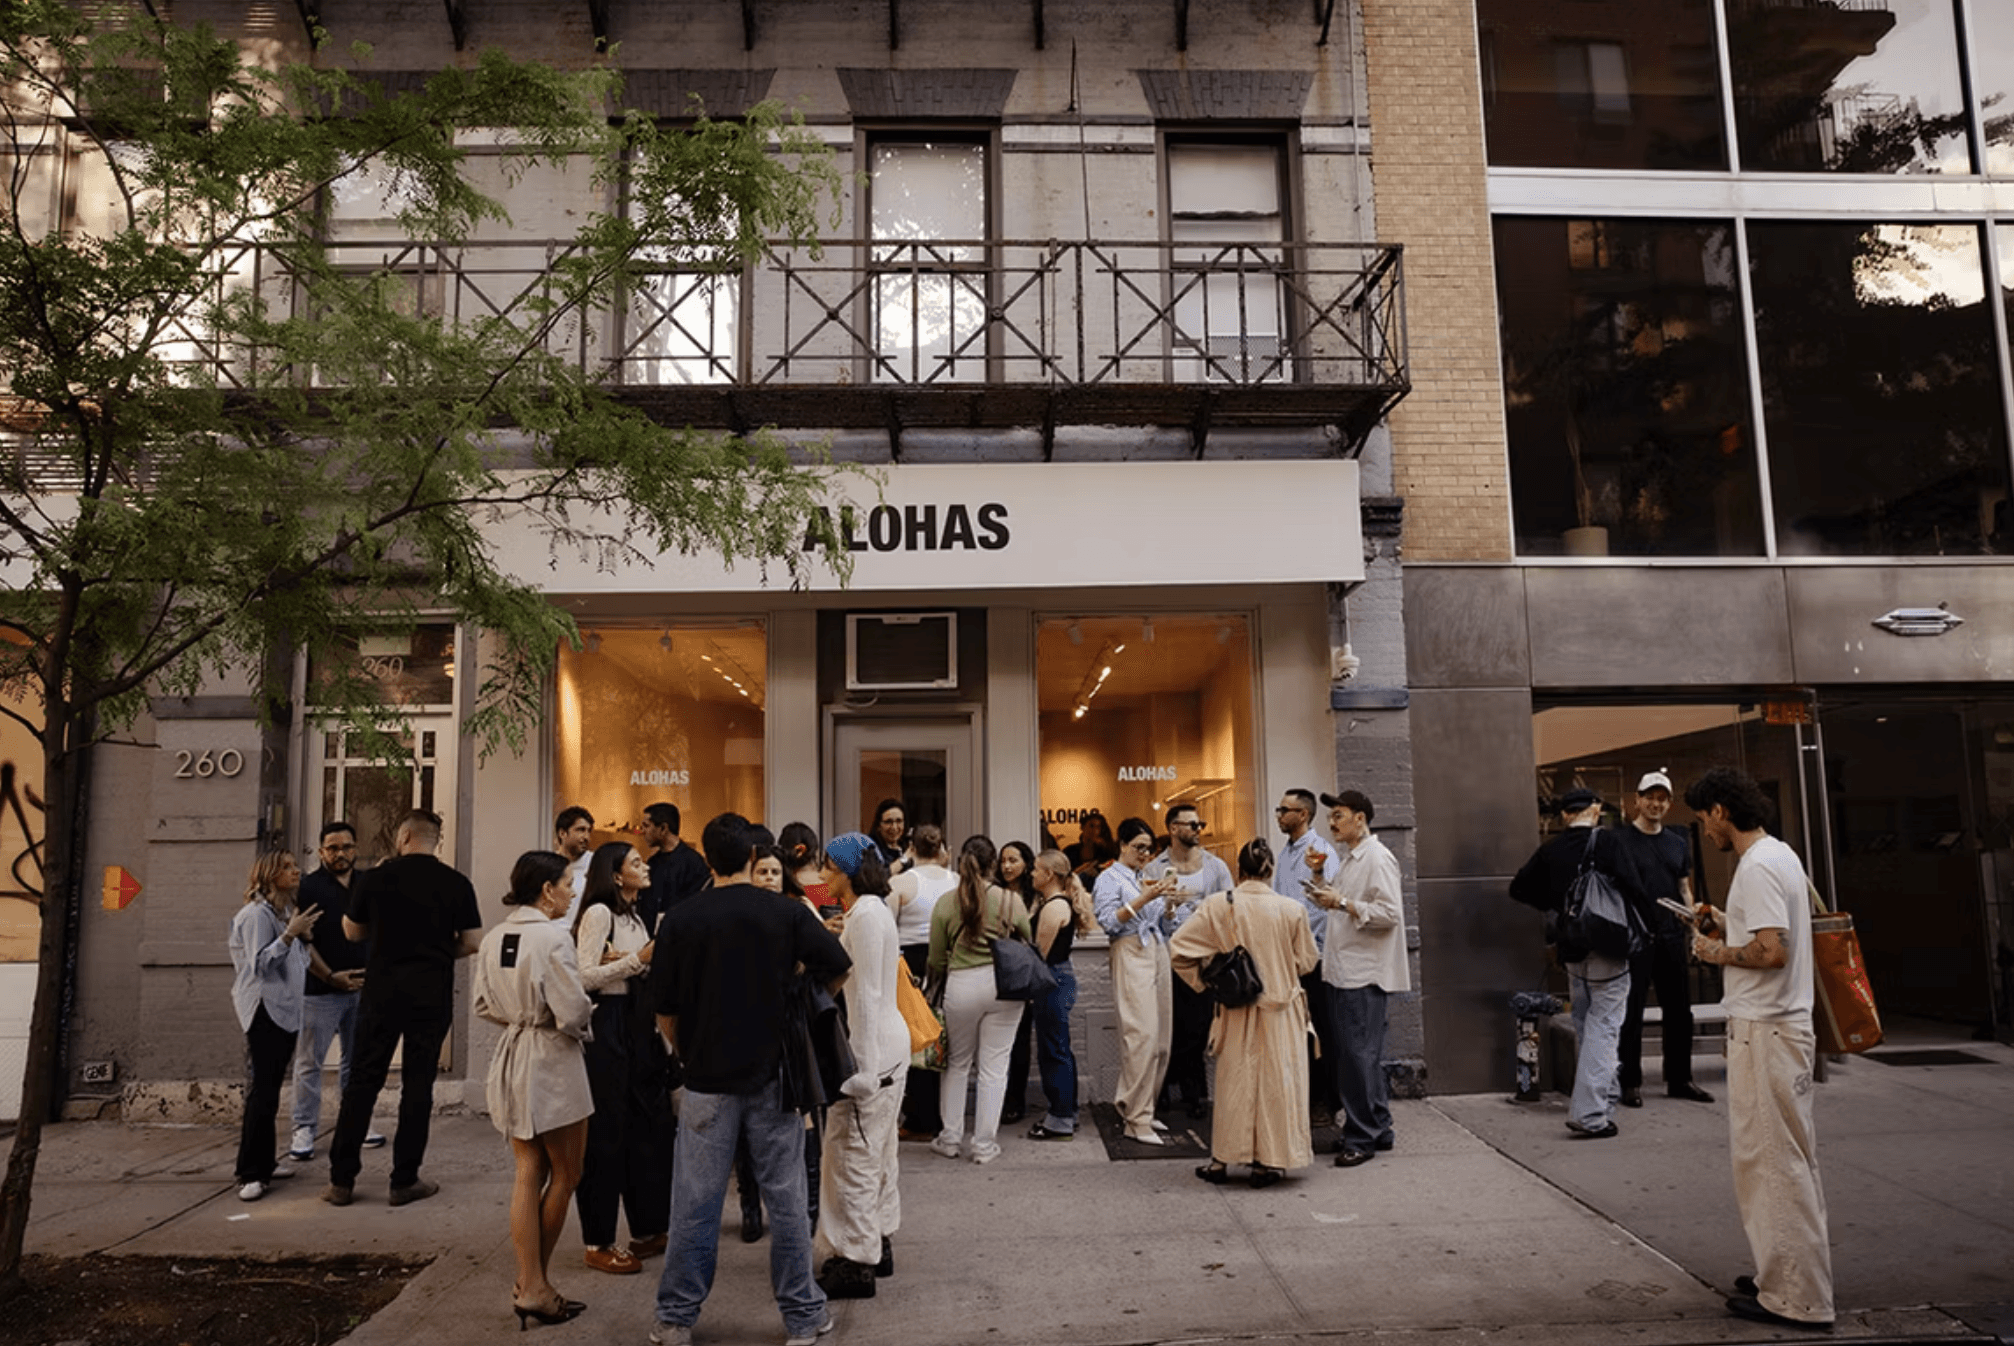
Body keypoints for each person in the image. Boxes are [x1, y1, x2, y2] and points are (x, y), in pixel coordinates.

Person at [649, 814, 851, 1346]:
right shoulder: (786, 913)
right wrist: (797, 998)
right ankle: (803, 1316)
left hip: (705, 1077)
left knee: (694, 1202)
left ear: (708, 859)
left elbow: (664, 1008)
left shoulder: (681, 919)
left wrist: (687, 1050)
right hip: (774, 1074)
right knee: (787, 1201)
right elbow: (838, 965)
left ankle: (675, 1318)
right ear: (752, 857)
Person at [1685, 767, 1833, 1330]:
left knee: (1771, 1164)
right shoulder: (1781, 855)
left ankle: (1796, 1297)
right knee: (1785, 1161)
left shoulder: (1756, 866)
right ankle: (1786, 1274)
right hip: (1779, 1028)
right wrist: (1727, 924)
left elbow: (1772, 952)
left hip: (1766, 1030)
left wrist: (1713, 952)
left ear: (1721, 812)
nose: (1706, 831)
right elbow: (1774, 935)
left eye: (1704, 819)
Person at [323, 808, 482, 1207]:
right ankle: (404, 1180)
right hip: (430, 994)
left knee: (362, 1081)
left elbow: (351, 931)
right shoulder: (456, 883)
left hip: (381, 993)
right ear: (434, 841)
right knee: (418, 1085)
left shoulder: (375, 878)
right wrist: (437, 951)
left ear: (405, 836)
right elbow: (473, 941)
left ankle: (341, 1181)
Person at [472, 851, 594, 1330]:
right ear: (547, 890)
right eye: (566, 883)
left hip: (513, 1054)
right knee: (566, 1173)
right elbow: (572, 1011)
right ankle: (534, 1285)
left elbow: (482, 1004)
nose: (571, 891)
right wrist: (581, 1023)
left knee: (527, 1170)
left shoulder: (494, 937)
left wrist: (518, 1017)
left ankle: (531, 1284)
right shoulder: (553, 938)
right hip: (552, 1059)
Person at [1169, 838, 1320, 1189]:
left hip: (1236, 1009)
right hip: (1280, 1011)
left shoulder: (1217, 905)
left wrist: (1205, 982)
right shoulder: (1291, 909)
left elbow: (1179, 949)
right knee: (1277, 1086)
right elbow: (1307, 961)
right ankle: (1268, 1162)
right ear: (1270, 870)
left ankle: (1222, 1160)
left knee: (1234, 1085)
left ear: (1239, 870)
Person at [1507, 788, 1650, 1140]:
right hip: (1609, 947)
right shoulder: (1609, 843)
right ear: (1595, 811)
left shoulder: (1551, 849)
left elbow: (1519, 888)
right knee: (1605, 1025)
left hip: (1572, 949)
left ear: (1565, 815)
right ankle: (1590, 1115)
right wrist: (1649, 930)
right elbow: (1636, 890)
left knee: (1587, 1024)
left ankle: (1604, 1098)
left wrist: (1561, 906)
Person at [811, 838, 908, 1299]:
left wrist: (863, 1071)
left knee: (853, 1157)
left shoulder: (866, 915)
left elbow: (866, 995)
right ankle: (876, 1240)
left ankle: (855, 1259)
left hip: (873, 1052)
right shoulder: (871, 910)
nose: (822, 876)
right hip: (888, 1048)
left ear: (848, 871)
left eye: (829, 867)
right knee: (879, 1153)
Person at [571, 841, 670, 1276]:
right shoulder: (599, 913)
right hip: (609, 1025)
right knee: (607, 1133)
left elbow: (633, 966)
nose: (645, 867)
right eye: (635, 862)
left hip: (637, 1024)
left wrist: (633, 961)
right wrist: (635, 960)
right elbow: (583, 976)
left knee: (645, 1127)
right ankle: (598, 1240)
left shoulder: (635, 915)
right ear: (615, 875)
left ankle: (648, 1229)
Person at [1307, 790, 1409, 1167]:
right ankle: (1377, 1127)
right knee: (1361, 1057)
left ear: (1360, 819)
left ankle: (1361, 1137)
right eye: (1331, 816)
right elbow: (1341, 901)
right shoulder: (1353, 857)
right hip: (1347, 970)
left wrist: (1341, 903)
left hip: (1362, 974)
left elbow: (1389, 914)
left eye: (1339, 815)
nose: (1331, 823)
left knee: (1356, 1059)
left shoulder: (1377, 858)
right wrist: (1320, 880)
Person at [927, 835, 1033, 1164]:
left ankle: (950, 1138)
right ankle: (984, 1145)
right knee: (994, 1068)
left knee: (957, 1064)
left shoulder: (946, 902)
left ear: (962, 862)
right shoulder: (1010, 900)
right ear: (993, 865)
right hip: (1004, 985)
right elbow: (1027, 939)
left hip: (961, 984)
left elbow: (936, 957)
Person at [1615, 770, 1714, 1108]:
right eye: (1649, 797)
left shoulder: (1676, 842)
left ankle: (1680, 1079)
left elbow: (1684, 888)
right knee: (1631, 1011)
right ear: (1637, 800)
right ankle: (1629, 1082)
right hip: (1636, 937)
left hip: (1671, 936)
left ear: (1668, 804)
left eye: (1662, 799)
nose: (1655, 804)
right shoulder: (1621, 841)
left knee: (1679, 1012)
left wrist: (1694, 930)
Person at [288, 822, 385, 1161]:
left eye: (346, 847)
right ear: (321, 852)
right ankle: (304, 1128)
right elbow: (301, 941)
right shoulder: (307, 887)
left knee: (357, 1062)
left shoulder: (367, 884)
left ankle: (355, 1124)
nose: (340, 853)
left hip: (364, 989)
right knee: (309, 1063)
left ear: (356, 848)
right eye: (332, 848)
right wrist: (330, 976)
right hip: (320, 990)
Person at [227, 850, 318, 1201]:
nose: (296, 871)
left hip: (284, 1010)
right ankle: (251, 1172)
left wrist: (300, 938)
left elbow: (296, 962)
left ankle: (266, 1160)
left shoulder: (280, 914)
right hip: (264, 1011)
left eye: (295, 865)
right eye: (286, 867)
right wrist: (290, 935)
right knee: (262, 1092)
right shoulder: (256, 915)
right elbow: (260, 966)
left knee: (270, 1091)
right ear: (268, 875)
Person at [1093, 817, 1182, 1145]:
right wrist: (1144, 899)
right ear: (1122, 845)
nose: (1145, 854)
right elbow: (1107, 922)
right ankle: (1135, 1117)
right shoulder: (1109, 878)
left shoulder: (1144, 877)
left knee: (1161, 1039)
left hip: (1156, 948)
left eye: (1149, 849)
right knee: (1140, 1036)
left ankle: (1146, 1107)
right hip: (1130, 949)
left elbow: (1165, 924)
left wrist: (1170, 906)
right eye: (1138, 847)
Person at [1153, 805, 1234, 1120]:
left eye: (1200, 824)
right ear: (1173, 828)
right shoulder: (1155, 867)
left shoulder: (1215, 866)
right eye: (1192, 825)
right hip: (1166, 956)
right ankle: (1163, 1090)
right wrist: (1167, 908)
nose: (1199, 829)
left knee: (1198, 1027)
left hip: (1203, 960)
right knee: (1166, 1026)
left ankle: (1194, 1092)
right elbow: (1146, 915)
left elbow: (1230, 908)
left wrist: (1203, 910)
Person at [1273, 787, 1343, 1126]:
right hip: (1290, 957)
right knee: (1299, 1031)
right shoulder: (1285, 853)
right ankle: (1305, 1099)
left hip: (1313, 956)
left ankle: (1326, 1104)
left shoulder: (1320, 852)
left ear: (1303, 814)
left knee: (1321, 1032)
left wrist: (1293, 939)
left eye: (1284, 810)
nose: (1278, 815)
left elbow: (1322, 906)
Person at [886, 824, 957, 1141]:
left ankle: (918, 1118)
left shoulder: (899, 883)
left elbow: (887, 928)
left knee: (916, 1038)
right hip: (950, 962)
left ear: (911, 848)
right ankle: (944, 1114)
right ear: (941, 848)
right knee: (945, 1039)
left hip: (911, 964)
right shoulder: (957, 881)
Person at [1023, 850, 1095, 1141]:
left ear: (1049, 874)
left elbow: (1039, 954)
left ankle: (1060, 1120)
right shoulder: (1055, 903)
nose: (1031, 874)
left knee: (1053, 1050)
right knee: (1059, 1047)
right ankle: (1067, 1113)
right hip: (1058, 978)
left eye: (1035, 869)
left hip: (1051, 980)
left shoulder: (1054, 907)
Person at [995, 839, 1041, 1124]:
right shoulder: (994, 894)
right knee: (997, 1042)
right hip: (995, 972)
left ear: (1026, 863)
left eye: (1013, 860)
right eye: (1003, 861)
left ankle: (1015, 1100)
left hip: (1023, 974)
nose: (1007, 866)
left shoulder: (1036, 897)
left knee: (1021, 1041)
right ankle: (995, 1099)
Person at [640, 802, 710, 935]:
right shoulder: (652, 862)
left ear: (663, 828)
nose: (642, 831)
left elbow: (697, 908)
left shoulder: (693, 863)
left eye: (646, 826)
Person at [554, 806, 594, 924]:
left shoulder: (596, 863)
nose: (586, 837)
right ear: (562, 833)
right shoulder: (549, 865)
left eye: (588, 831)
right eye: (580, 830)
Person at [1065, 811, 1117, 884]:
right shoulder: (1070, 851)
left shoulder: (1106, 851)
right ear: (1082, 827)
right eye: (1091, 826)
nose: (1095, 830)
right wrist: (1081, 870)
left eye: (1098, 827)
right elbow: (1064, 876)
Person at [868, 798, 910, 878]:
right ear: (878, 826)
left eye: (899, 821)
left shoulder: (908, 847)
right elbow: (878, 878)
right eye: (888, 822)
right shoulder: (870, 849)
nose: (894, 827)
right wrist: (904, 859)